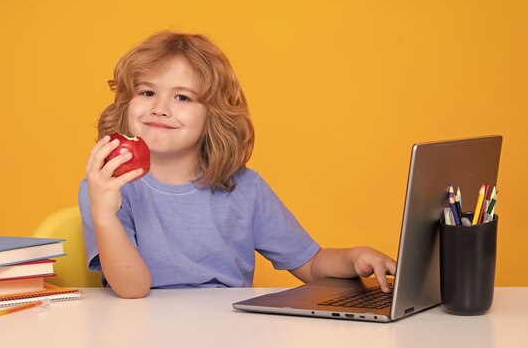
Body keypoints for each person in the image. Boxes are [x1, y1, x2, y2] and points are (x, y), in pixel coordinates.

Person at [79, 30, 396, 299]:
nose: (160, 108)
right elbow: (132, 290)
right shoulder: (106, 189)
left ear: (213, 115)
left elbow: (311, 264)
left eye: (183, 98)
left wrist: (355, 257)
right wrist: (105, 216)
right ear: (126, 103)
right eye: (147, 92)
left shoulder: (245, 187)